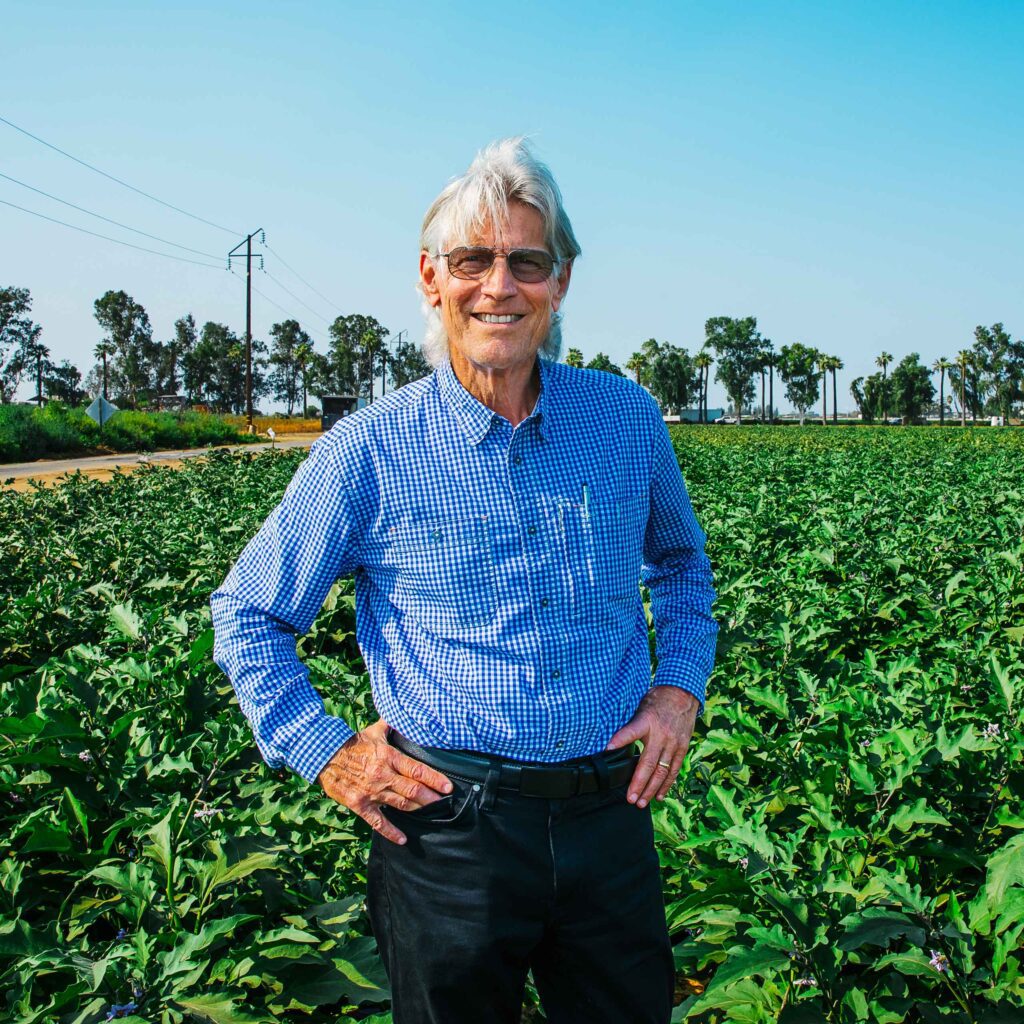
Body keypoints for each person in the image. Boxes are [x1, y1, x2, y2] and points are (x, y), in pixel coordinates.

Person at [211, 137, 717, 1024]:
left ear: (559, 282)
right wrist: (325, 749)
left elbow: (679, 563)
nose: (499, 286)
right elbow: (248, 613)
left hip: (608, 816)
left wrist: (678, 690)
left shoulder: (625, 418)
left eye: (527, 261)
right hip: (448, 831)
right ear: (430, 277)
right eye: (472, 260)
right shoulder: (369, 450)